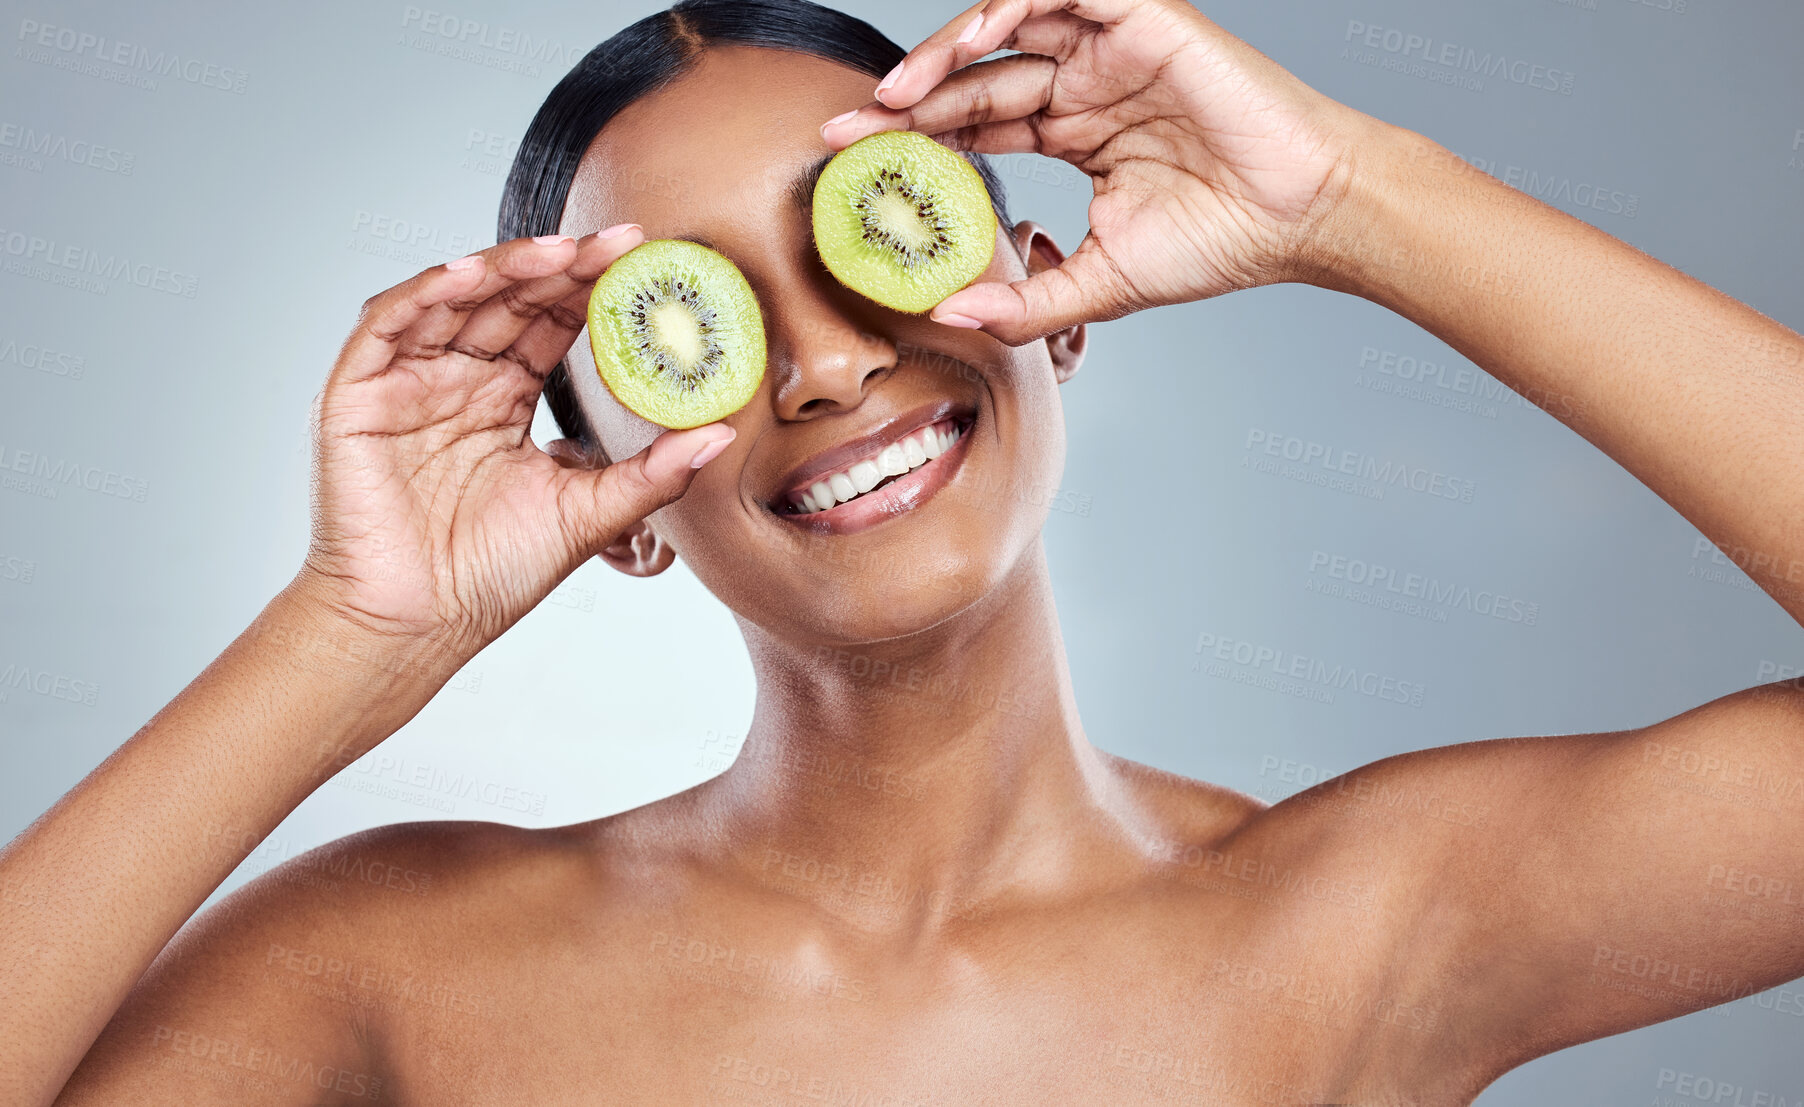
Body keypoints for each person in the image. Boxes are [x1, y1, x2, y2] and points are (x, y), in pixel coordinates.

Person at [7, 0, 1803, 1103]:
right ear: (604, 486)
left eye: (872, 240)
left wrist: (1350, 199)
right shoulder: (386, 964)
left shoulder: (1370, 925)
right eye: (686, 320)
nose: (831, 359)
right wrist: (349, 635)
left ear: (1050, 296)